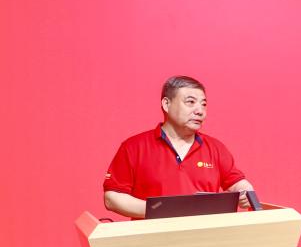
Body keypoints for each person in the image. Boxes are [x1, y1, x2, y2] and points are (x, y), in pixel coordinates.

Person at [103, 75, 254, 218]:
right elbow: (112, 198)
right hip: (153, 235)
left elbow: (238, 183)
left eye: (203, 104)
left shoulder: (215, 148)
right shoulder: (134, 147)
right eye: (190, 102)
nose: (200, 111)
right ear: (166, 104)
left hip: (204, 234)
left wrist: (245, 193)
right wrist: (162, 211)